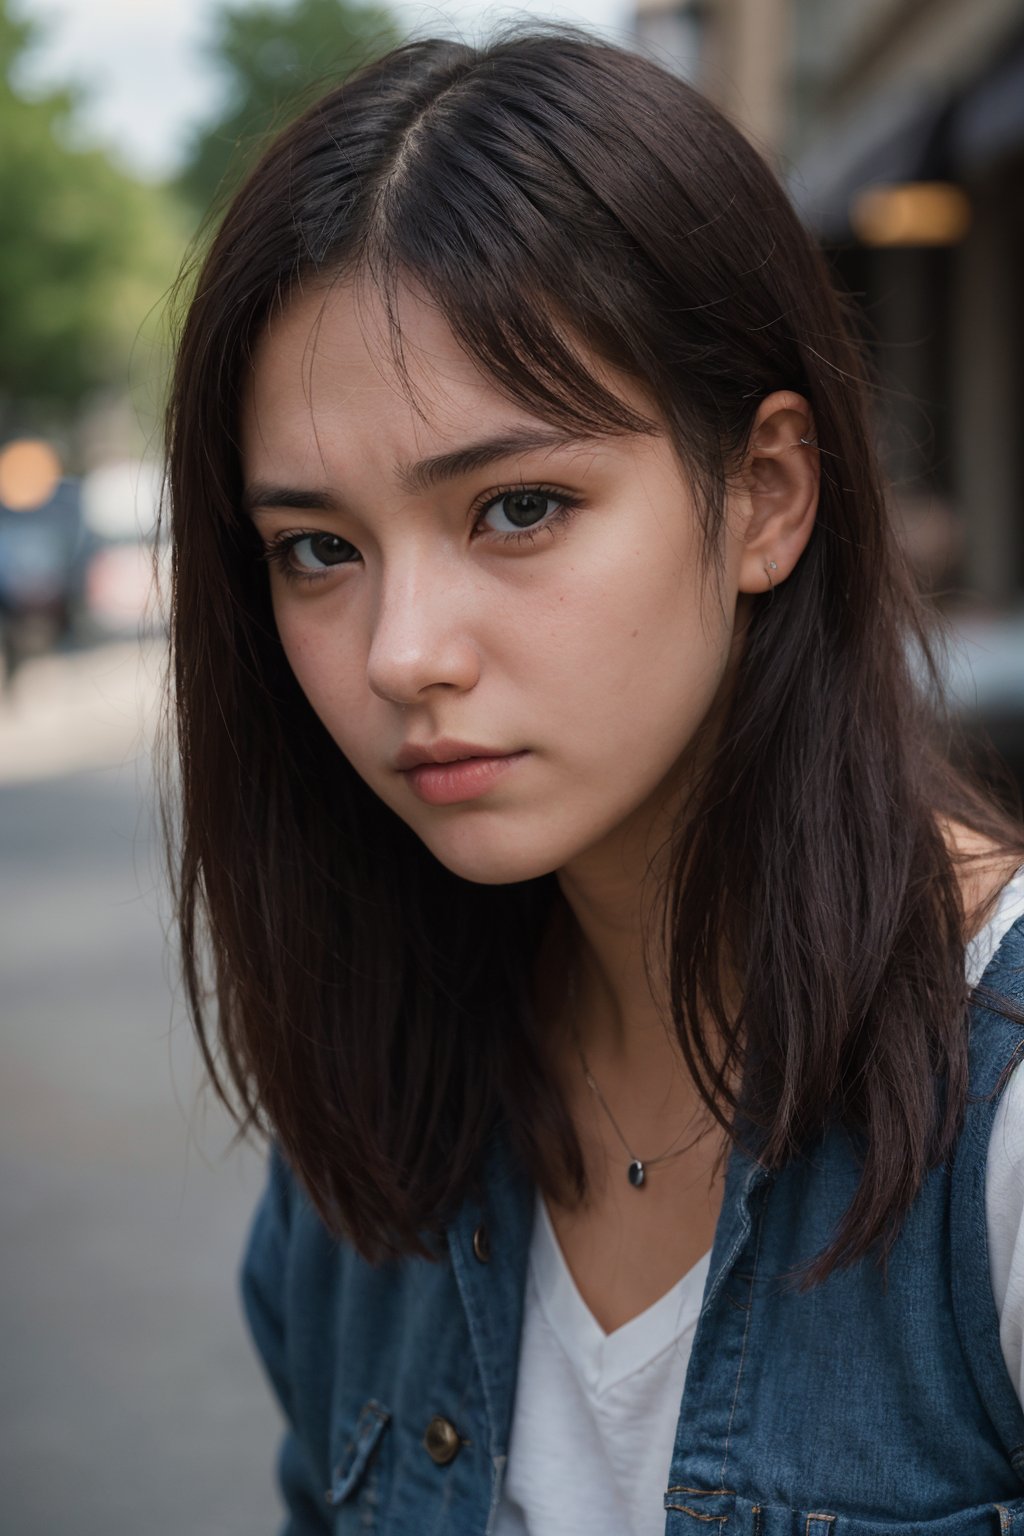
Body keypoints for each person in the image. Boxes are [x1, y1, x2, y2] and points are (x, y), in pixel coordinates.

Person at [161, 27, 1024, 1536]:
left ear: (764, 495)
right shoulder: (373, 1114)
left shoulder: (996, 1125)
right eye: (318, 548)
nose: (401, 654)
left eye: (516, 507)